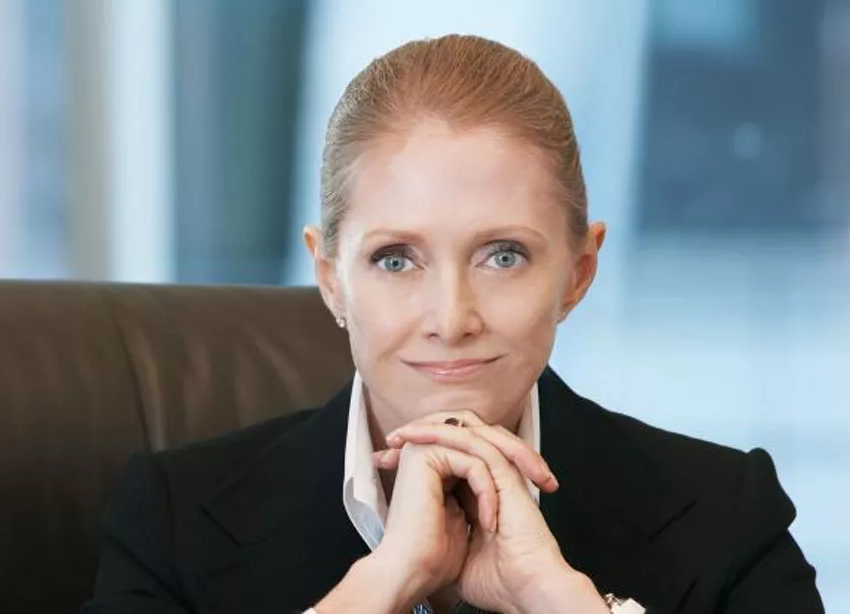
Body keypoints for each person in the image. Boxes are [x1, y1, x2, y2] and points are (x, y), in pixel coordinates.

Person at [83, 35, 823, 613]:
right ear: (331, 277)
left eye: (503, 256)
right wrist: (376, 588)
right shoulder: (173, 518)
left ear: (578, 273)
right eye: (396, 260)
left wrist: (566, 603)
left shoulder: (729, 515)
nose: (450, 319)